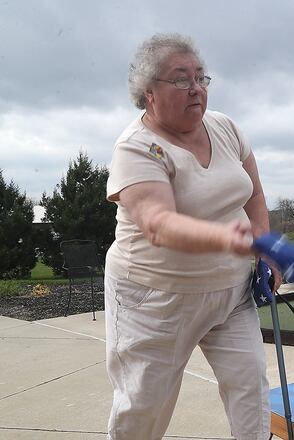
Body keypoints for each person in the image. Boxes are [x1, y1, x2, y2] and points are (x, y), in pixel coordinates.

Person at [103, 33, 280, 440]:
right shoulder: (137, 149)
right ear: (149, 93)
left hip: (230, 293)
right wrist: (227, 238)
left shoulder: (225, 127)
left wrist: (265, 251)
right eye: (181, 79)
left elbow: (254, 194)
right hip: (154, 300)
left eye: (200, 77)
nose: (196, 88)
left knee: (250, 388)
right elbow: (159, 224)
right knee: (143, 410)